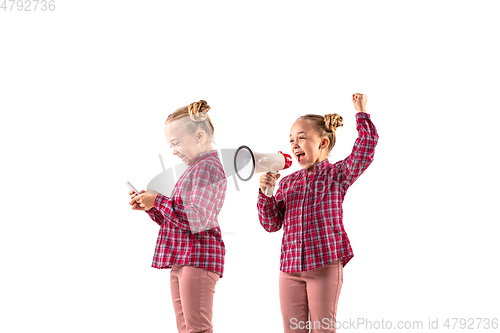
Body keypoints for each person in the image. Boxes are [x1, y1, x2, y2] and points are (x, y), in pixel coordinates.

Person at [257, 93, 379, 333]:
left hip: (324, 266)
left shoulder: (337, 174)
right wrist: (266, 194)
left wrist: (361, 113)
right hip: (289, 269)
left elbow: (365, 149)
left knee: (323, 329)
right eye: (292, 139)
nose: (294, 144)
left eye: (301, 138)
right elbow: (271, 224)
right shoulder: (288, 183)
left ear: (323, 143)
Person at [128, 100, 226, 333]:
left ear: (200, 137)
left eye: (176, 143)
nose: (173, 150)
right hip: (183, 257)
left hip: (197, 257)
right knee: (186, 329)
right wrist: (150, 206)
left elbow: (196, 219)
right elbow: (179, 220)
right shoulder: (193, 169)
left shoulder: (207, 168)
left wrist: (159, 201)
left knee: (197, 328)